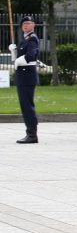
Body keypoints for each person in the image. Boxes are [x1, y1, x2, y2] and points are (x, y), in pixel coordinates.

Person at [12, 15, 39, 143]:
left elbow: (31, 55)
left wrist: (19, 60)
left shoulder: (32, 38)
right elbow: (20, 57)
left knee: (27, 106)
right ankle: (30, 133)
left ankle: (32, 134)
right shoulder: (24, 39)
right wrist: (14, 52)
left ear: (33, 25)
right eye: (24, 24)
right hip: (23, 77)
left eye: (29, 23)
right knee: (25, 106)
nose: (26, 25)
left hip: (27, 77)